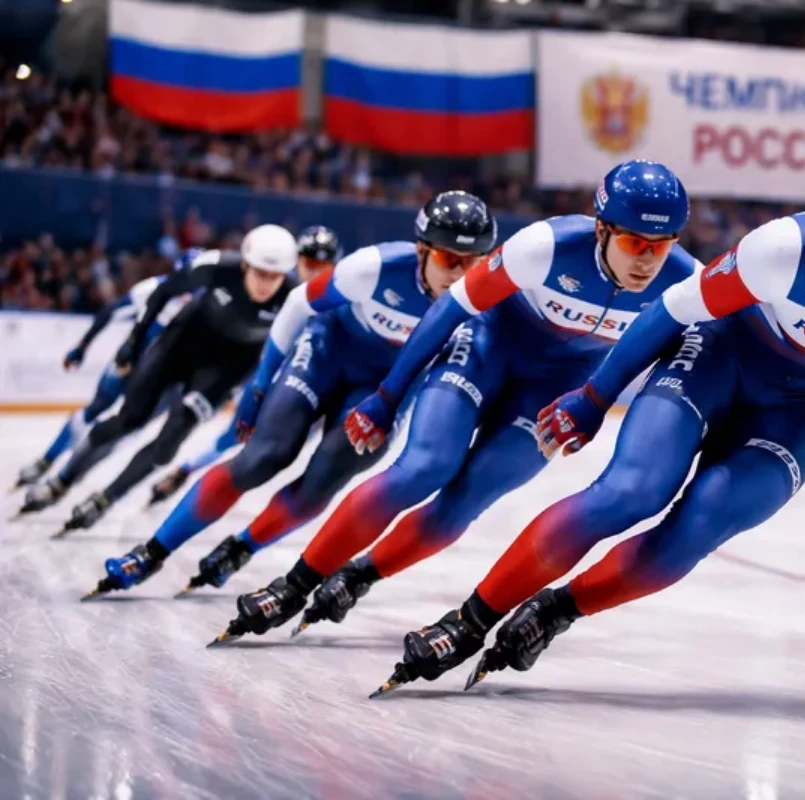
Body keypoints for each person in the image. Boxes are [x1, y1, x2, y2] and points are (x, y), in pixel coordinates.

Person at [363, 147, 805, 695]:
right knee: (629, 493)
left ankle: (557, 610)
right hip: (718, 362)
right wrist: (594, 398)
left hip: (804, 412)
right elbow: (670, 310)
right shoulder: (788, 251)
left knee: (689, 537)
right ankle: (469, 621)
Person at [208, 160, 699, 645]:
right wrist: (387, 395)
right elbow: (449, 310)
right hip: (485, 349)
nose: (647, 261)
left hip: (554, 388)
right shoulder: (544, 247)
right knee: (424, 466)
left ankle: (360, 575)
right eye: (635, 244)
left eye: (662, 245)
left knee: (465, 502)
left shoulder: (684, 279)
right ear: (601, 229)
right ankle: (294, 585)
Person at [88, 195, 496, 599]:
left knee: (324, 479)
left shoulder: (485, 299)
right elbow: (299, 303)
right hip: (325, 355)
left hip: (381, 389)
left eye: (474, 261)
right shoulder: (374, 267)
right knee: (262, 458)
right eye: (449, 259)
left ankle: (242, 547)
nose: (462, 274)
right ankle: (153, 551)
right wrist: (260, 385)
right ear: (422, 250)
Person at [21, 225, 302, 535]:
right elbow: (162, 292)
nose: (266, 284)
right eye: (260, 273)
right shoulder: (215, 265)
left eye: (275, 277)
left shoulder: (294, 297)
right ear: (245, 264)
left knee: (168, 444)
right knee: (127, 421)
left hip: (228, 367)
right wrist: (133, 341)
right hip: (180, 345)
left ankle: (107, 497)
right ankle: (63, 480)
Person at [146, 226, 344, 507]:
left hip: (304, 381)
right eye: (310, 264)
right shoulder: (276, 284)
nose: (315, 273)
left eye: (323, 267)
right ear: (296, 260)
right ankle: (187, 470)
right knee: (233, 436)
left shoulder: (338, 300)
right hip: (262, 373)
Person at [12, 248, 203, 490]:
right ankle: (49, 459)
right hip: (130, 366)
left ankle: (65, 473)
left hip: (156, 378)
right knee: (95, 410)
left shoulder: (203, 303)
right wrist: (82, 346)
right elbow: (110, 312)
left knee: (120, 429)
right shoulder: (153, 289)